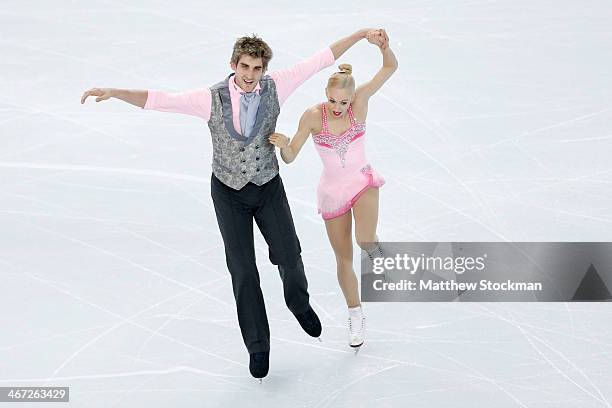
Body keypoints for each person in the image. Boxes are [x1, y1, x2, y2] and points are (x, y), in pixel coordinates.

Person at [80, 28, 388, 380]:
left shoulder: (276, 85)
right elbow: (162, 99)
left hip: (267, 185)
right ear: (233, 64)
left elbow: (321, 59)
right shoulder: (211, 98)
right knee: (243, 271)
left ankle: (298, 303)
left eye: (257, 68)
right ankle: (258, 346)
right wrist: (115, 92)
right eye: (245, 67)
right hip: (228, 192)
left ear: (264, 69)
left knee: (288, 254)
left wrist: (362, 34)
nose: (250, 75)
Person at [268, 29, 397, 350]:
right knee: (343, 260)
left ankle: (376, 250)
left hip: (362, 182)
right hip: (332, 193)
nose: (338, 107)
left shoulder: (360, 102)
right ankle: (355, 314)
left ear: (352, 98)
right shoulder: (313, 116)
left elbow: (389, 68)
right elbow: (291, 156)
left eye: (344, 101)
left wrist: (385, 49)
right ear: (325, 94)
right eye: (332, 100)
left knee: (365, 240)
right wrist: (284, 144)